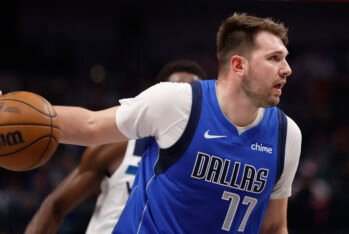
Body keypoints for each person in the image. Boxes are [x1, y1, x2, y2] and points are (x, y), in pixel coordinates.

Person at [20, 12, 302, 233]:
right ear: (239, 65)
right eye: (274, 58)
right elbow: (90, 125)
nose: (287, 69)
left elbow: (274, 226)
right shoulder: (178, 103)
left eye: (285, 58)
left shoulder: (287, 135)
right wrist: (10, 111)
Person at [24, 60, 207, 234]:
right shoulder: (118, 146)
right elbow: (56, 206)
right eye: (177, 92)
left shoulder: (208, 165)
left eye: (191, 93)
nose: (184, 102)